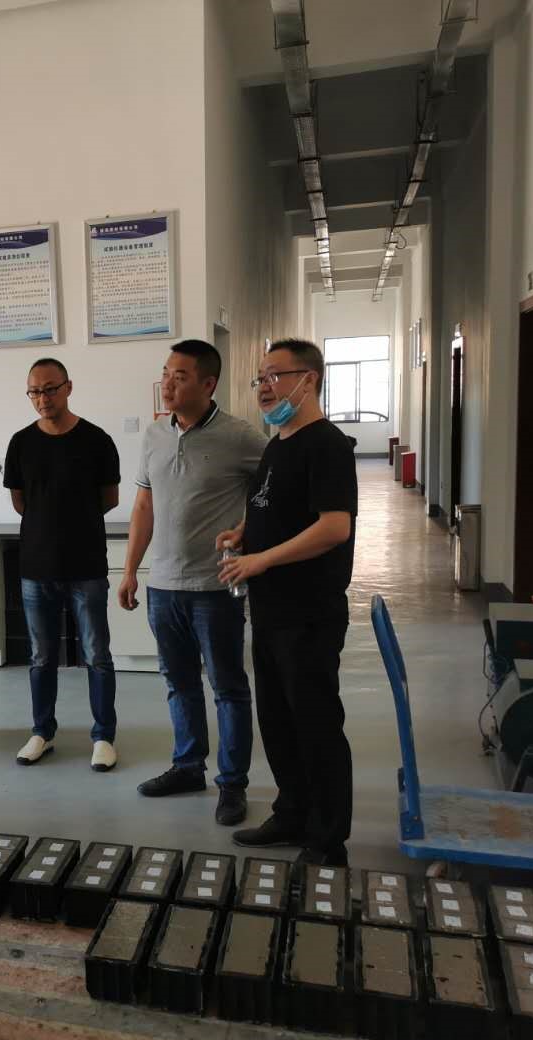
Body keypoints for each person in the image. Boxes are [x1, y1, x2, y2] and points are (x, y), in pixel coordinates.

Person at [218, 339, 358, 868]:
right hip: (271, 611)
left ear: (309, 379)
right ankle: (292, 813)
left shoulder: (327, 445)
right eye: (260, 377)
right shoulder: (278, 443)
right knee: (278, 722)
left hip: (308, 612)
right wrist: (242, 532)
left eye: (275, 375)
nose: (264, 387)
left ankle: (327, 840)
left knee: (315, 724)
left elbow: (334, 527)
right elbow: (270, 505)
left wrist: (262, 560)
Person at [118, 340, 269, 825]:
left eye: (179, 376)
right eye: (166, 373)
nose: (167, 383)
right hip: (163, 587)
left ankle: (233, 784)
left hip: (215, 588)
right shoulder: (154, 435)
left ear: (208, 384)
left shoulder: (240, 437)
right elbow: (144, 505)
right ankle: (187, 767)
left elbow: (276, 491)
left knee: (227, 688)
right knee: (178, 683)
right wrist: (130, 570)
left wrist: (247, 533)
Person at [4, 358, 121, 771]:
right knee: (41, 656)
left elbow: (109, 498)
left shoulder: (96, 440)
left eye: (50, 389)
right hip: (36, 567)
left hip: (86, 565)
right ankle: (42, 731)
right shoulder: (21, 443)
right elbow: (20, 501)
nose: (43, 398)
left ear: (68, 387)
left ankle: (103, 736)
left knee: (97, 654)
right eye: (34, 391)